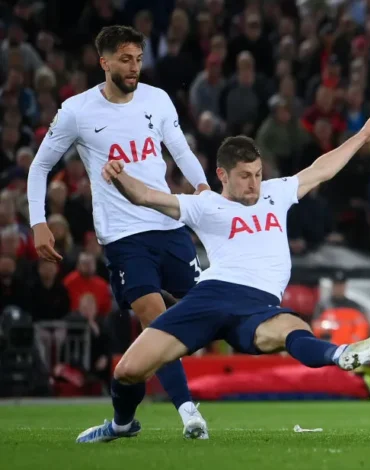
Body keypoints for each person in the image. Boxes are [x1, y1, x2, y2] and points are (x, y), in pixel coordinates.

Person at [76, 111, 370, 444]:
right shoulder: (206, 205)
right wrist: (119, 176)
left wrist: (362, 135)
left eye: (258, 174)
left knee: (293, 329)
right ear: (222, 175)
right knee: (128, 371)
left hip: (258, 304)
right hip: (209, 298)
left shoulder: (277, 192)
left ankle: (341, 354)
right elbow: (146, 196)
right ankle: (121, 425)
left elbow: (322, 168)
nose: (254, 184)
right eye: (245, 176)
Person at [27, 26, 212, 439]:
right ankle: (189, 413)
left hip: (169, 224)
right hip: (126, 238)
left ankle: (123, 423)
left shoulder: (158, 99)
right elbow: (39, 167)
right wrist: (38, 222)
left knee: (207, 314)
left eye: (139, 59)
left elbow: (179, 150)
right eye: (126, 60)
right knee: (153, 316)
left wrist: (203, 190)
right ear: (104, 61)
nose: (134, 68)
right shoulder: (77, 111)